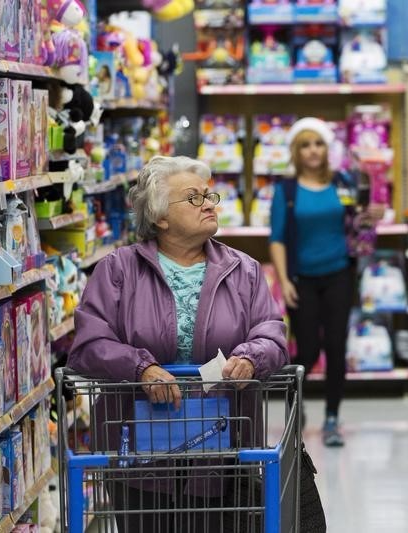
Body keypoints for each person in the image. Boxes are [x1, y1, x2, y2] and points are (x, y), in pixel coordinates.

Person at [67, 155, 288, 531]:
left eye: (209, 196)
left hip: (224, 446)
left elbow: (272, 333)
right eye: (193, 198)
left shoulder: (245, 271)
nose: (208, 204)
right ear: (159, 217)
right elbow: (89, 344)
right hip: (139, 449)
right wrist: (142, 368)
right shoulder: (118, 270)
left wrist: (251, 358)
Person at [269, 117, 381, 447]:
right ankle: (296, 414)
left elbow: (359, 222)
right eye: (305, 145)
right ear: (296, 151)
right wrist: (283, 279)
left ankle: (332, 418)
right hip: (302, 279)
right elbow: (276, 239)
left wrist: (371, 216)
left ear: (327, 148)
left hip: (339, 275)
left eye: (318, 143)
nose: (313, 151)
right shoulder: (285, 190)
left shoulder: (344, 181)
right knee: (305, 351)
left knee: (335, 347)